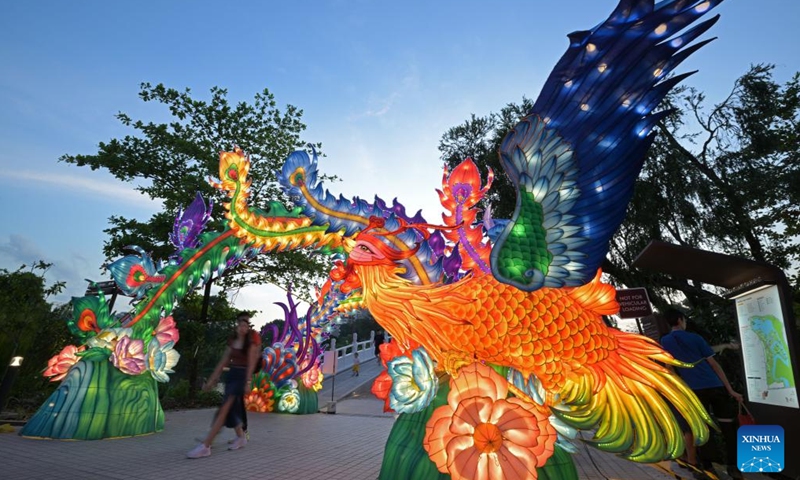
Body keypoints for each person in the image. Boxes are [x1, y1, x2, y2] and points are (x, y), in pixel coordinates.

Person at [660, 308, 744, 480]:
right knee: (728, 426)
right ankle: (733, 467)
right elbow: (713, 364)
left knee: (703, 430)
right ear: (681, 319)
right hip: (715, 386)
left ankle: (707, 467)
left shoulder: (665, 341)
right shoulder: (695, 338)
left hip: (694, 392)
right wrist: (730, 389)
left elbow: (670, 370)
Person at [187, 313, 260, 459]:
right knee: (231, 410)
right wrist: (212, 380)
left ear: (248, 328)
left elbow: (251, 364)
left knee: (224, 410)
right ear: (237, 326)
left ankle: (206, 445)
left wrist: (248, 382)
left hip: (240, 377)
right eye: (240, 325)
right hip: (231, 376)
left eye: (245, 325)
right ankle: (240, 437)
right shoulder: (232, 341)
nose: (242, 328)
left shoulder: (250, 344)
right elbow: (223, 362)